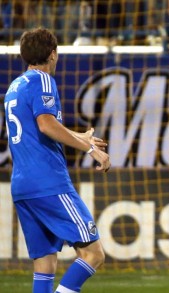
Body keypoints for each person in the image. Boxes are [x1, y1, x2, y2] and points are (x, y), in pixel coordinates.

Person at [3, 28, 111, 293]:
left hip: (22, 186)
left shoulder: (15, 87)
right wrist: (88, 147)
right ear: (53, 54)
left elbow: (37, 127)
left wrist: (78, 135)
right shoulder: (43, 80)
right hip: (48, 182)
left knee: (45, 264)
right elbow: (46, 125)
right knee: (94, 254)